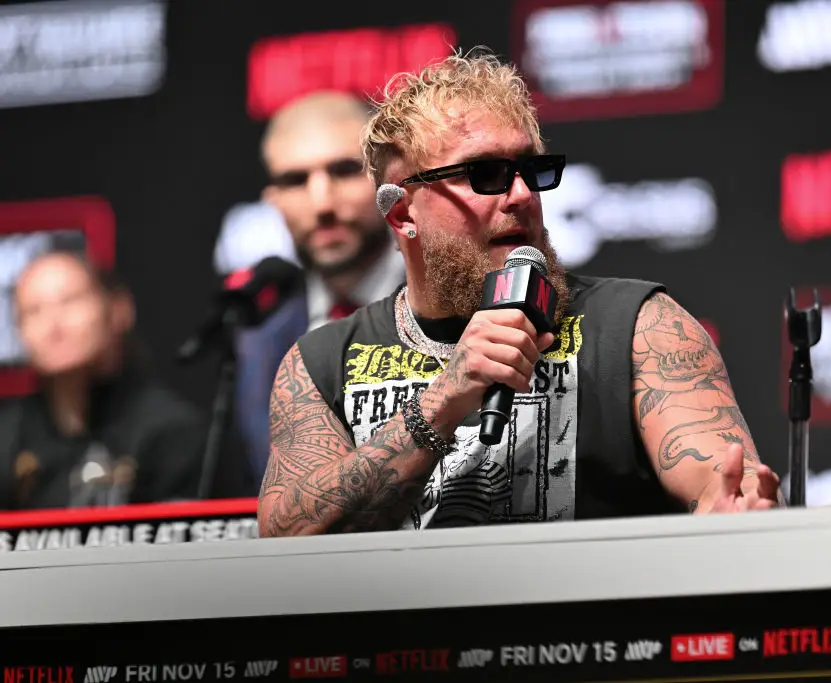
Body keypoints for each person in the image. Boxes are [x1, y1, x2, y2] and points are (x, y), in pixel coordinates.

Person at [257, 51, 784, 537]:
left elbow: (717, 477)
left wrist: (732, 511)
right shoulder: (322, 361)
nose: (522, 195)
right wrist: (444, 401)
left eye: (531, 170)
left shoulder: (637, 326)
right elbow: (284, 536)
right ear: (402, 213)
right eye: (485, 174)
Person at [232, 91, 406, 482]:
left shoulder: (447, 302)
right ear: (272, 200)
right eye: (295, 180)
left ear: (390, 179)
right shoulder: (260, 336)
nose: (321, 202)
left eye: (344, 170)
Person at [0, 252, 223, 509]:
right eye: (33, 311)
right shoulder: (7, 435)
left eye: (70, 301)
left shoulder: (172, 432)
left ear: (118, 309)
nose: (53, 324)